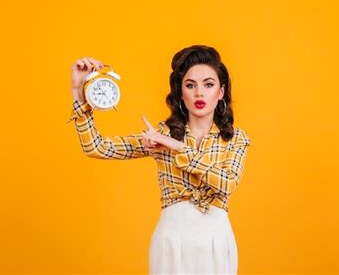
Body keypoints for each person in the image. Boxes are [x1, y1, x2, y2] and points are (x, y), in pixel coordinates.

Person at [67, 45, 251, 274]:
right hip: (172, 239)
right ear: (180, 93)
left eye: (208, 84)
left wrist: (177, 147)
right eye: (190, 85)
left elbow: (227, 182)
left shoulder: (236, 138)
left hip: (216, 240)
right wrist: (78, 92)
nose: (199, 93)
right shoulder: (161, 135)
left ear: (221, 92)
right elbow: (96, 147)